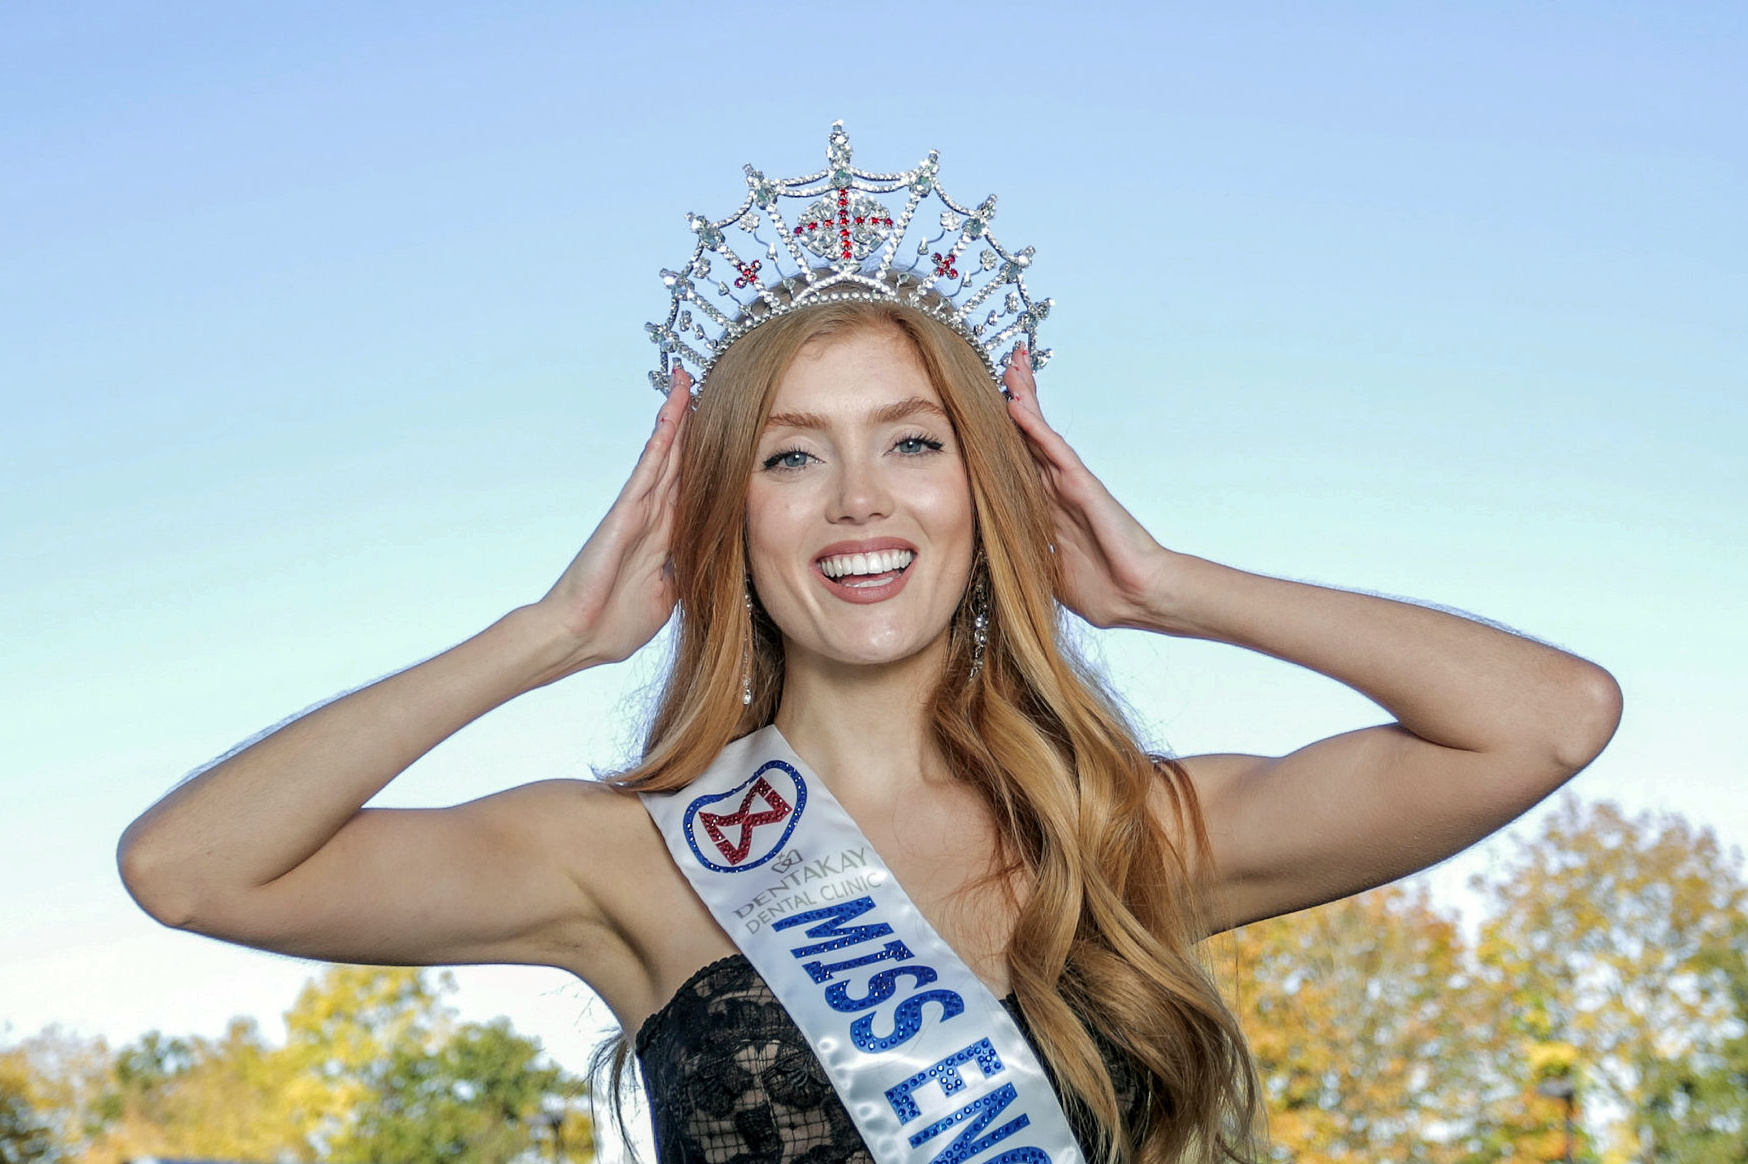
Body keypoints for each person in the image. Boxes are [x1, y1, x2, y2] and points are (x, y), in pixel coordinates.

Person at [118, 127, 1621, 1164]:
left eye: (912, 442)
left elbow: (1549, 717)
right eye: (787, 458)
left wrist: (1168, 585)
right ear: (728, 518)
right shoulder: (624, 859)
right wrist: (546, 635)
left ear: (987, 486)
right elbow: (190, 870)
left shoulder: (1124, 832)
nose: (856, 503)